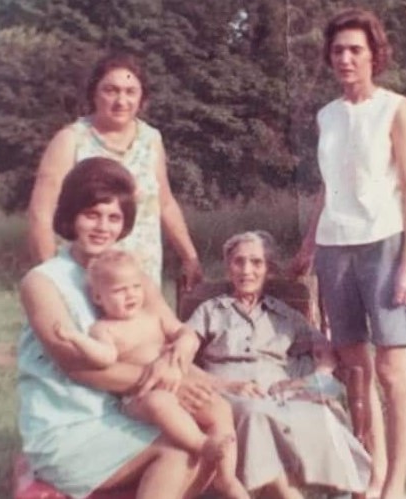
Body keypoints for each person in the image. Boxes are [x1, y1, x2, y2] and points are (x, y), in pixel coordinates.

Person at [18, 157, 215, 499]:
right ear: (71, 216)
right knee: (182, 448)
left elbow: (177, 331)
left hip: (122, 413)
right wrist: (166, 383)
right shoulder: (43, 281)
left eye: (114, 218)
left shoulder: (127, 273)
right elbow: (77, 367)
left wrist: (180, 353)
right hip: (67, 426)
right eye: (91, 215)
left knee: (205, 439)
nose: (102, 227)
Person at [293, 8, 406, 499]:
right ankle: (374, 469)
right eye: (338, 50)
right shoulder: (327, 115)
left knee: (391, 369)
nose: (345, 58)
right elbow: (329, 187)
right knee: (356, 369)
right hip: (334, 247)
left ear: (374, 56)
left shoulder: (395, 109)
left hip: (384, 243)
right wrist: (309, 243)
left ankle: (397, 483)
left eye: (355, 50)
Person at [187, 230, 371, 498]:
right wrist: (227, 385)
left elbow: (325, 350)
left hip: (278, 397)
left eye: (256, 262)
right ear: (228, 268)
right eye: (239, 262)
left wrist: (315, 378)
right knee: (254, 413)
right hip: (228, 397)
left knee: (319, 414)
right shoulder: (211, 311)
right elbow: (181, 356)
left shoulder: (286, 316)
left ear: (268, 270)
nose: (246, 270)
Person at [55, 248, 249, 499]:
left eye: (136, 286)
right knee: (161, 402)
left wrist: (183, 341)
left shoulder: (153, 317)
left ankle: (226, 476)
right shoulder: (104, 329)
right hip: (140, 397)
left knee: (220, 407)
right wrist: (76, 339)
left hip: (177, 387)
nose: (131, 295)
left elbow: (183, 332)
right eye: (119, 290)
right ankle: (201, 444)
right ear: (98, 297)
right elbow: (104, 357)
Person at [27, 52, 201, 289]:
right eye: (111, 90)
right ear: (94, 94)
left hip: (140, 276)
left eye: (130, 92)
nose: (121, 101)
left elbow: (165, 203)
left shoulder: (151, 139)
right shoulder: (71, 140)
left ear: (142, 98)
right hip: (84, 277)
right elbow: (40, 213)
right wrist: (50, 276)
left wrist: (189, 257)